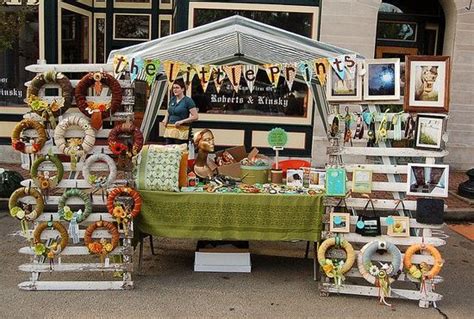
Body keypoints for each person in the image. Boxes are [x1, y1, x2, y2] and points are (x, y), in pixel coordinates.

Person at [162, 79, 198, 144]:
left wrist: (182, 121)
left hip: (182, 130)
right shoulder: (172, 99)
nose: (175, 90)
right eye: (173, 88)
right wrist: (165, 119)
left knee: (179, 151)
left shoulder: (188, 101)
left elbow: (195, 117)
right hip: (170, 129)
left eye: (177, 88)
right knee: (168, 149)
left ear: (183, 89)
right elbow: (168, 110)